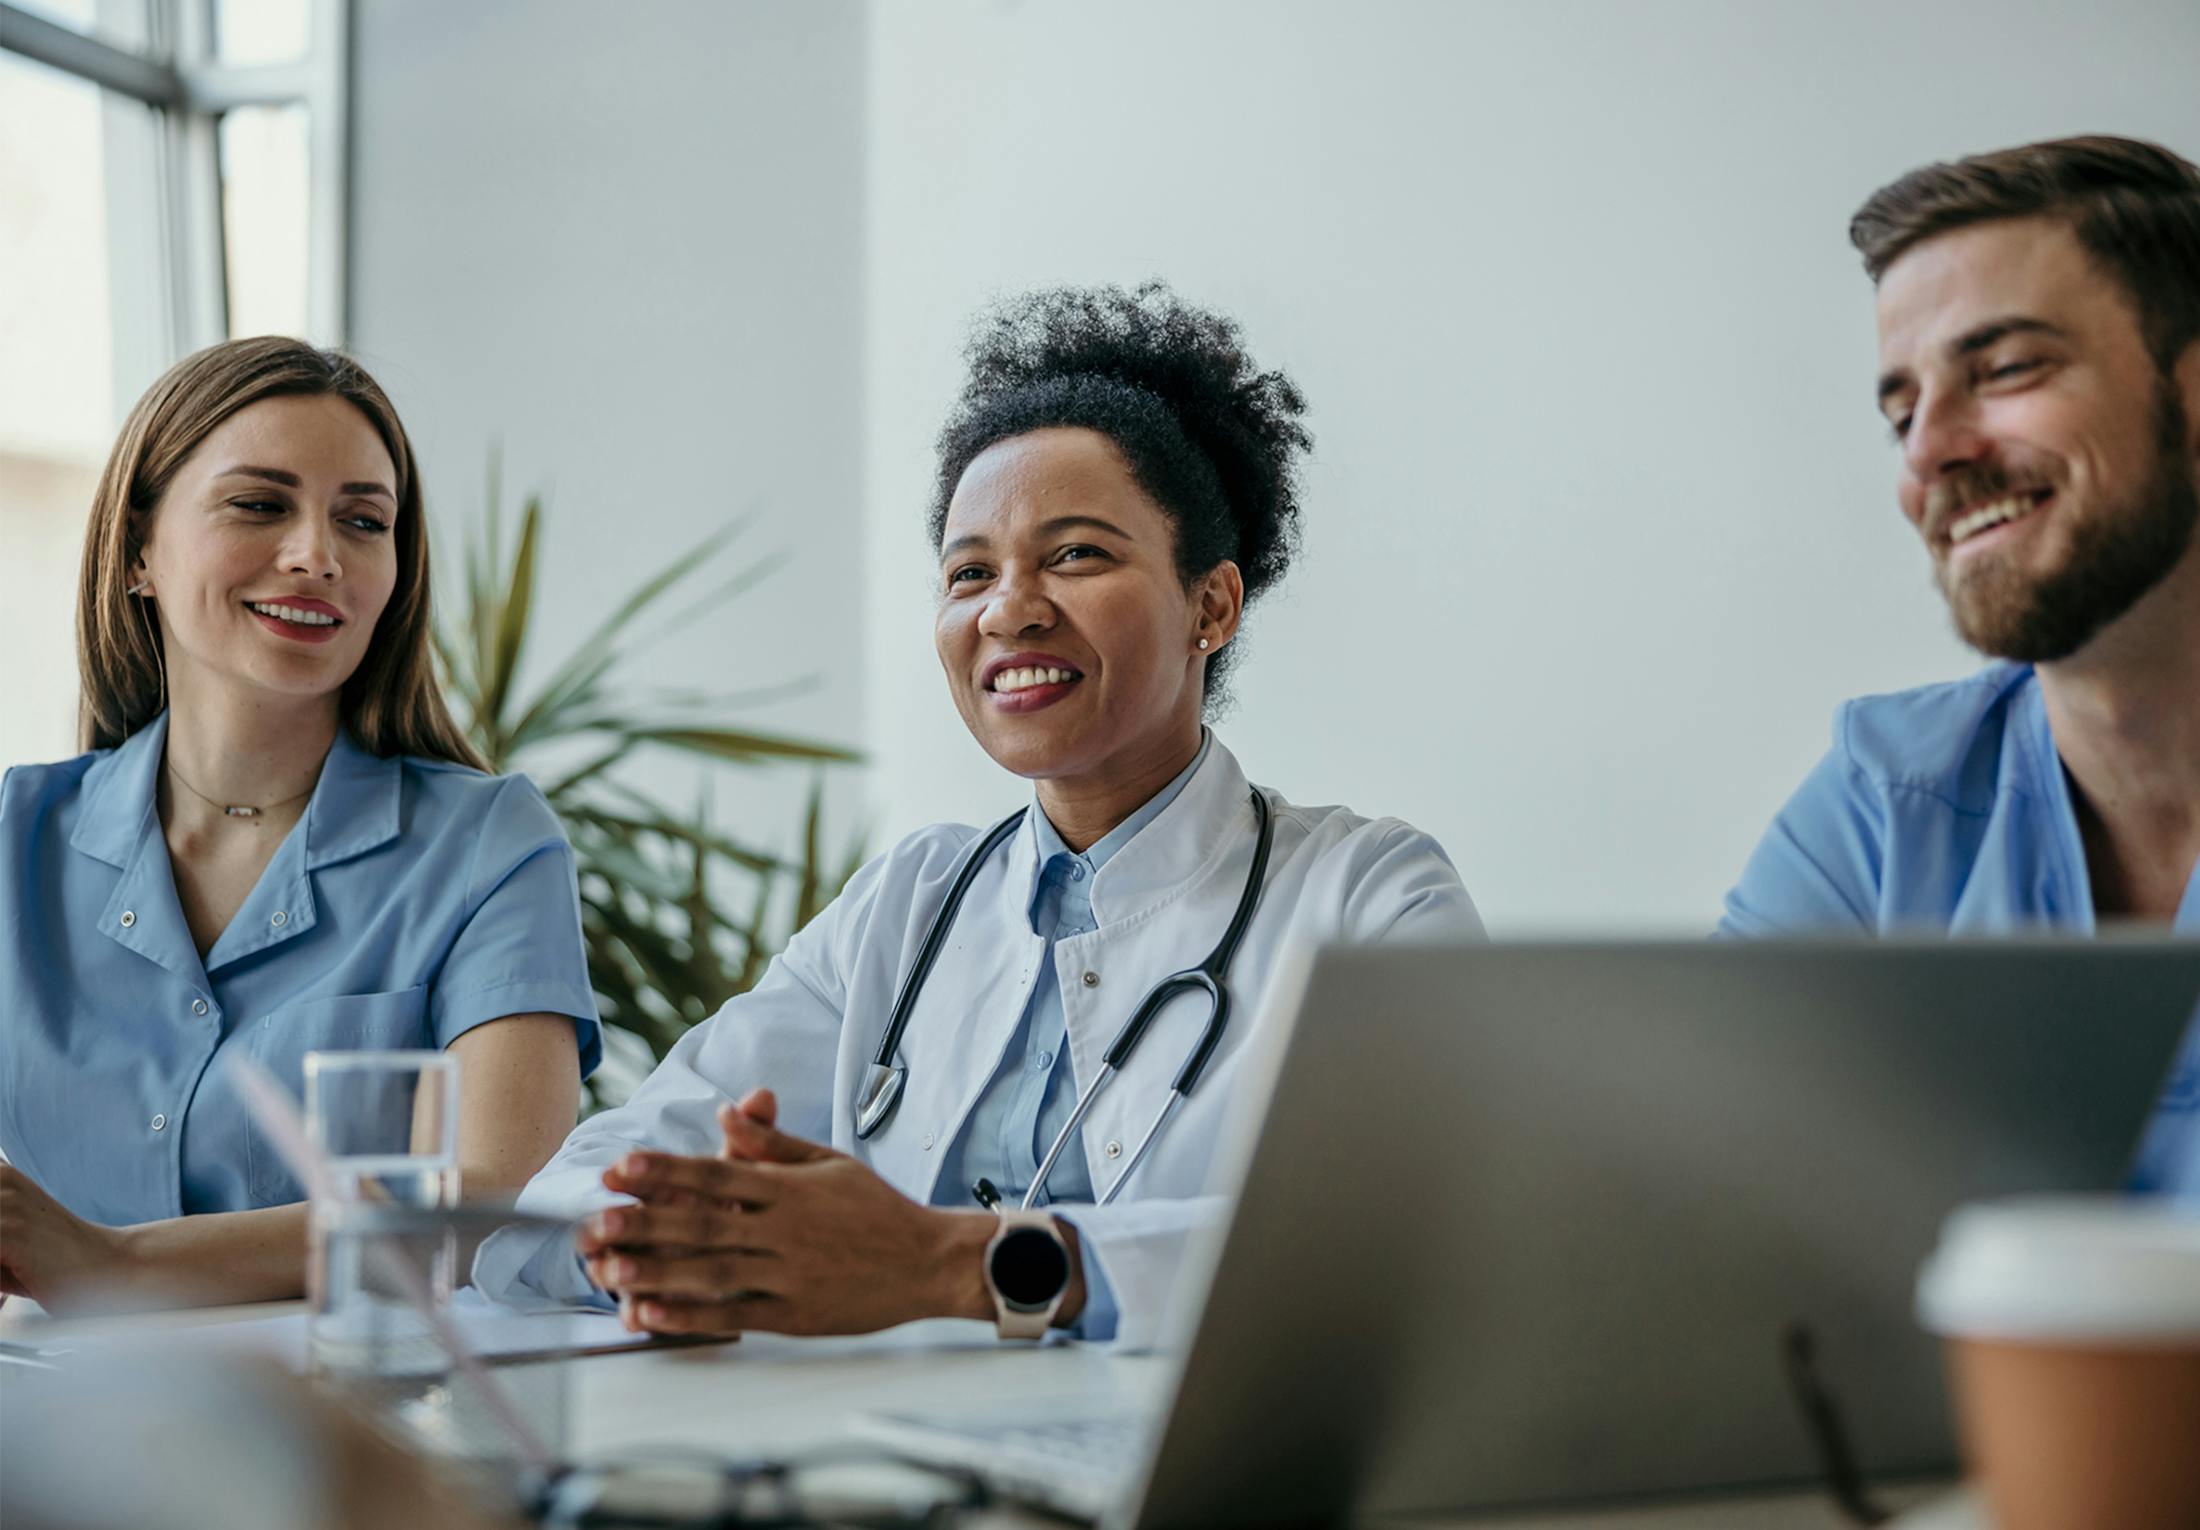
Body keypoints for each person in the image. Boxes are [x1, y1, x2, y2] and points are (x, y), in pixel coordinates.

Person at [476, 283, 1481, 1348]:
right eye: (969, 572)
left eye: (1077, 554)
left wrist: (953, 1266)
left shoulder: (1370, 894)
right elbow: (569, 1195)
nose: (1008, 608)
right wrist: (669, 1251)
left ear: (1211, 605)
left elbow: (1420, 1243)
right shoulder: (908, 906)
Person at [0, 337, 602, 1311]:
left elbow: (482, 1203)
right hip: (53, 1428)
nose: (317, 555)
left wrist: (109, 1263)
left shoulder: (489, 845)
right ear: (140, 549)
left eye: (363, 520)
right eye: (259, 504)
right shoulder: (13, 837)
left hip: (361, 1434)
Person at [1720, 136, 2200, 1191]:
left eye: (2008, 369)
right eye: (1901, 413)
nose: (1930, 451)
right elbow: (1713, 1209)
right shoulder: (1883, 811)